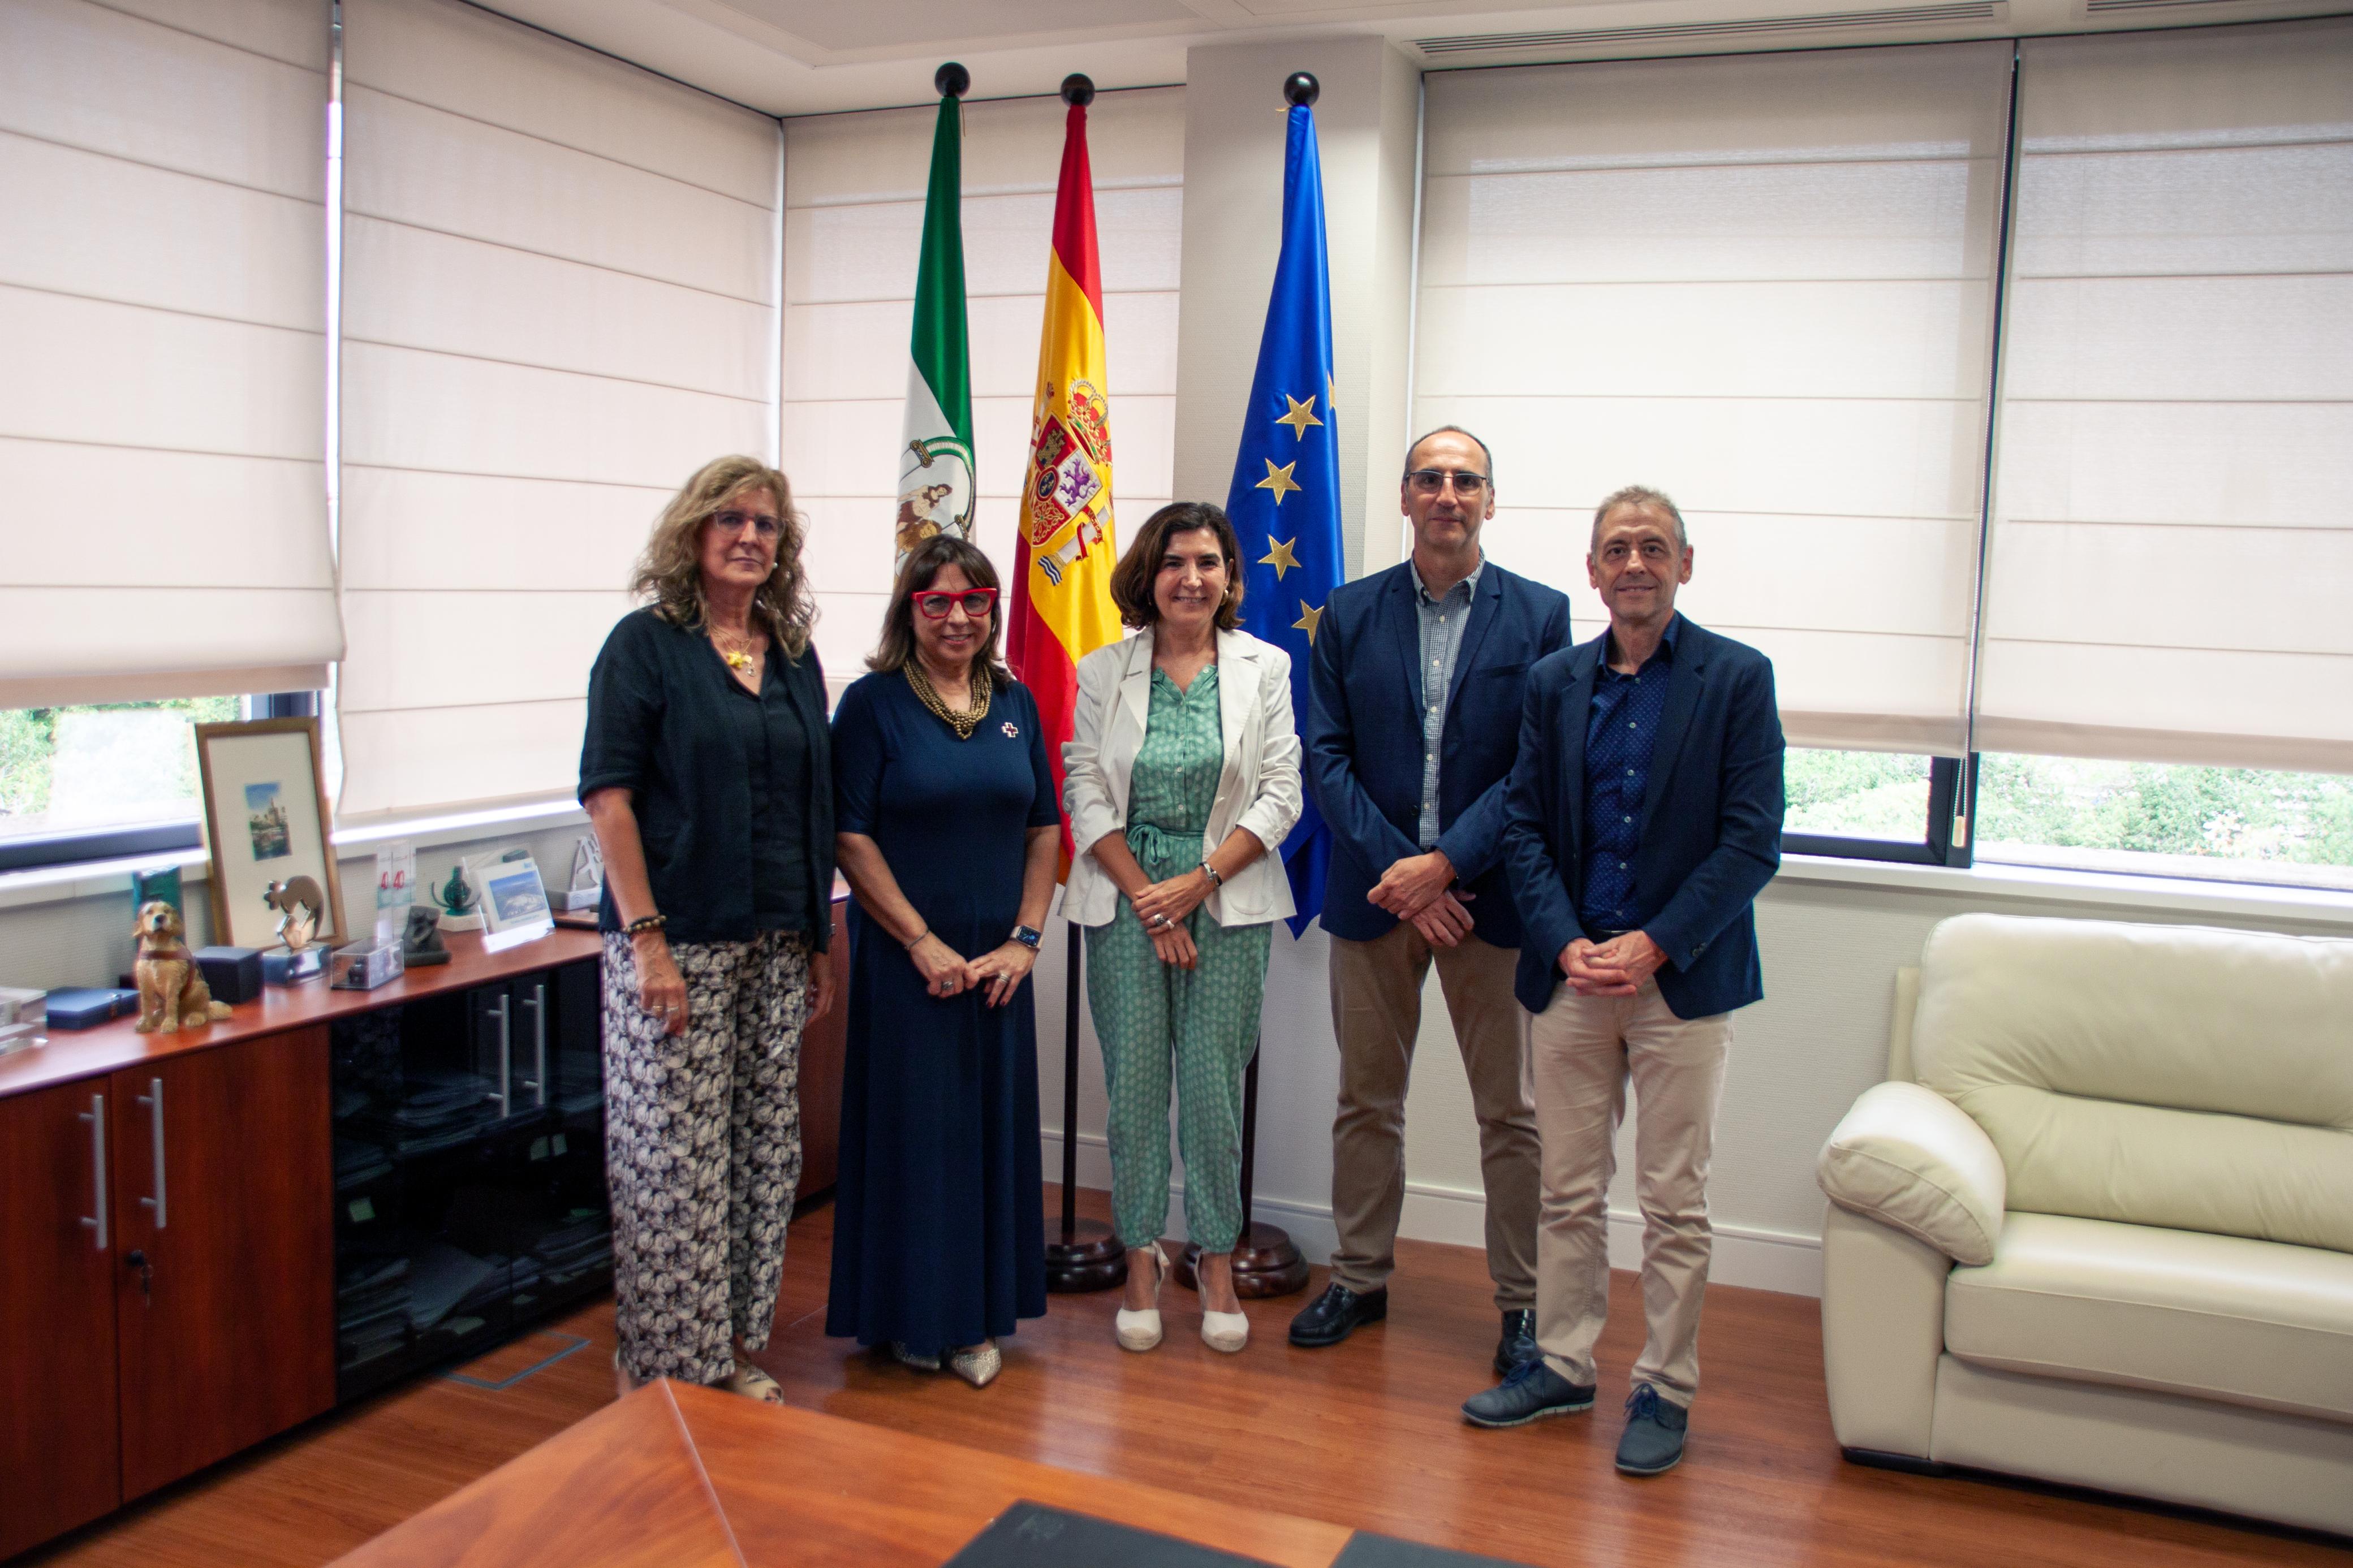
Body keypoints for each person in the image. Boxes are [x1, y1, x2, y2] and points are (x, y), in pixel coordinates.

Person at [1462, 485, 1783, 1477]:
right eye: (1616, 550)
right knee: (1566, 1187)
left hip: (1679, 981)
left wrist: (1653, 944)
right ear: (1591, 571)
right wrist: (1564, 943)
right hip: (1569, 978)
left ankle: (1664, 1385)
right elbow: (1521, 825)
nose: (1634, 564)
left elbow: (1752, 840)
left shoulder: (1737, 678)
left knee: (1674, 1197)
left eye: (1653, 548)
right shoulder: (1556, 682)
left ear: (1686, 564)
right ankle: (1561, 1362)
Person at [1292, 426, 1571, 1376]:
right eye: (1430, 478)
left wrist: (1445, 864)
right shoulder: (1348, 612)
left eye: (1466, 479)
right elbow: (1324, 760)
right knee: (1366, 1100)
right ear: (1405, 498)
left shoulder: (1540, 615)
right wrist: (1406, 879)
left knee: (1515, 1114)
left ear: (1490, 500)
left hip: (1490, 901)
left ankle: (1525, 1308)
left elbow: (1537, 765)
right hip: (1377, 899)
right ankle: (1360, 1277)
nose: (1447, 493)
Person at [579, 454, 835, 1405]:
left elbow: (813, 801)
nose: (748, 536)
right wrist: (646, 938)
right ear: (692, 533)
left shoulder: (793, 654)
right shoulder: (644, 646)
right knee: (673, 1160)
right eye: (729, 518)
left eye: (767, 524)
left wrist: (815, 938)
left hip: (774, 938)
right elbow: (609, 798)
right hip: (676, 941)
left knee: (765, 1153)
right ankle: (662, 1367)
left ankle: (728, 1343)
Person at [1062, 501, 1302, 1355]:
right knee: (1132, 1087)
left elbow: (1282, 791)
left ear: (1231, 577)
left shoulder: (1264, 666)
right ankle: (1140, 1258)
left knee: (1210, 1086)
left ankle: (1217, 1259)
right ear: (1147, 576)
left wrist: (1194, 887)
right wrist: (1149, 898)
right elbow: (1083, 788)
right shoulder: (1103, 670)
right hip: (1126, 899)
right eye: (1173, 563)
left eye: (1207, 562)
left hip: (1225, 900)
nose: (1191, 578)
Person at [825, 535, 1062, 1388]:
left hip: (998, 968)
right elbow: (848, 835)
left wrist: (1025, 941)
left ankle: (972, 1320)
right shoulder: (872, 705)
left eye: (975, 600)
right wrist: (920, 940)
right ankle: (906, 1315)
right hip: (906, 965)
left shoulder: (1015, 701)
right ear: (909, 609)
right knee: (916, 1137)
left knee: (984, 1134)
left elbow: (1043, 827)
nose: (958, 616)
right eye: (937, 601)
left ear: (994, 607)